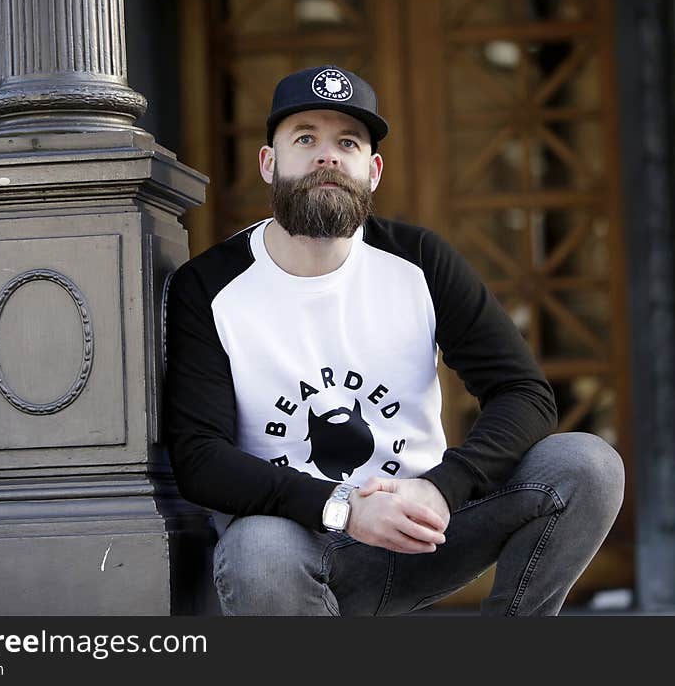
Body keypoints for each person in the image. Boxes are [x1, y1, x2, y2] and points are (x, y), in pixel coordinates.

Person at [163, 64, 624, 616]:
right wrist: (344, 509)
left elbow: (524, 393)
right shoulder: (209, 286)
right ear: (269, 162)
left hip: (424, 530)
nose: (327, 156)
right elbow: (199, 457)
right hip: (304, 546)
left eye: (348, 143)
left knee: (587, 464)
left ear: (373, 170)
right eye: (305, 138)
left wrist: (440, 488)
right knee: (257, 551)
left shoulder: (420, 261)